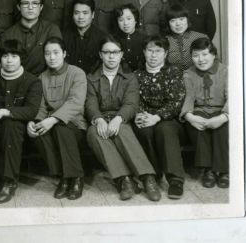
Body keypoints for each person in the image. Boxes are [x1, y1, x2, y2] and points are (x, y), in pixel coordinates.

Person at [85, 36, 162, 202]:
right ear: (100, 54)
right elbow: (90, 103)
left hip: (122, 118)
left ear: (121, 54)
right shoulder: (91, 78)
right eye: (107, 52)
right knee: (94, 133)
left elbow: (131, 103)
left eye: (115, 52)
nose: (111, 56)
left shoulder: (130, 77)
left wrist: (119, 118)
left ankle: (147, 178)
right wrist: (98, 119)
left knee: (122, 131)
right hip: (100, 118)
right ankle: (125, 180)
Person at [0, 40, 42, 204]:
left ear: (21, 58)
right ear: (0, 58)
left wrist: (4, 111)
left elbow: (31, 110)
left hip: (20, 131)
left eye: (14, 56)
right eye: (5, 56)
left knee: (11, 124)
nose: (9, 60)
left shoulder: (32, 81)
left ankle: (9, 181)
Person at [28, 37, 87, 200]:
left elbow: (75, 102)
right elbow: (41, 107)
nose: (52, 57)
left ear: (64, 53)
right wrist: (35, 122)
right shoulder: (41, 77)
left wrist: (53, 119)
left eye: (56, 53)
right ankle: (63, 176)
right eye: (47, 53)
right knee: (37, 131)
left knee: (61, 128)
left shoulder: (77, 73)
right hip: (50, 122)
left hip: (74, 122)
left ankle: (76, 177)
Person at [133, 35, 188, 199]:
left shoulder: (174, 72)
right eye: (150, 50)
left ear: (165, 53)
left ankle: (175, 180)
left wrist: (157, 117)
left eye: (158, 51)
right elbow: (134, 99)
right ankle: (153, 174)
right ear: (144, 52)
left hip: (171, 121)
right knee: (143, 130)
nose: (153, 55)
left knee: (164, 129)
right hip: (146, 117)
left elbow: (177, 102)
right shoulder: (137, 75)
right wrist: (140, 115)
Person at [180, 38, 229, 189]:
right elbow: (189, 96)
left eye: (205, 54)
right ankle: (208, 170)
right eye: (195, 55)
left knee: (223, 127)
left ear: (213, 54)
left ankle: (224, 170)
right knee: (198, 126)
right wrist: (189, 116)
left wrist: (224, 116)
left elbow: (232, 97)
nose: (200, 59)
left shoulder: (225, 71)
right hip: (199, 109)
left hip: (221, 109)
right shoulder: (189, 74)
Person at [1, 0, 63, 77]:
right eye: (25, 3)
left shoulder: (51, 30)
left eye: (35, 3)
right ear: (18, 7)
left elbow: (57, 62)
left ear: (41, 7)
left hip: (46, 80)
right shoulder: (8, 35)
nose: (30, 7)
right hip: (18, 80)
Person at [63, 0, 107, 75]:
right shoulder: (64, 36)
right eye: (76, 13)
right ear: (72, 14)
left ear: (92, 14)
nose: (80, 17)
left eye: (85, 13)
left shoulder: (102, 38)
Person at [165, 4, 209, 73]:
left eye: (181, 19)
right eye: (173, 20)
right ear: (168, 23)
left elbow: (213, 61)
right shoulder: (165, 41)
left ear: (187, 19)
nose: (178, 24)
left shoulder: (201, 37)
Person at [114, 4, 148, 71]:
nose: (125, 23)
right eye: (121, 20)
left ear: (136, 20)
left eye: (129, 19)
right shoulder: (113, 40)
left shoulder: (145, 40)